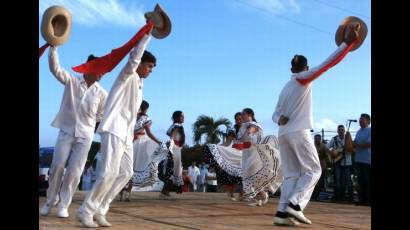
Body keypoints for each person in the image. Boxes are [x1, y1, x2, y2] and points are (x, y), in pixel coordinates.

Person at [272, 27, 359, 226]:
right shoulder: (303, 79)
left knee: (293, 174)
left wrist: (279, 120)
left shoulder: (286, 87)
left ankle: (281, 213)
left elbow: (275, 114)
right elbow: (327, 64)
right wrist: (348, 44)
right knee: (314, 170)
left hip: (283, 133)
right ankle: (295, 205)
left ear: (291, 69)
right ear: (305, 67)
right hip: (298, 132)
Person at [77, 28, 156, 228]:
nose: (151, 70)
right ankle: (85, 210)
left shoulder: (139, 83)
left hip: (126, 133)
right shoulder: (127, 75)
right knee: (107, 173)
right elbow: (134, 58)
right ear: (139, 64)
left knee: (125, 174)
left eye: (153, 67)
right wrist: (148, 33)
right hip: (113, 128)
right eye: (149, 66)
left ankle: (101, 209)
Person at [40, 46, 107, 219]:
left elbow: (101, 114)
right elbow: (55, 69)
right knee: (57, 166)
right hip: (66, 131)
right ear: (90, 68)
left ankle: (64, 204)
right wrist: (53, 48)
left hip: (85, 136)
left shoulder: (101, 93)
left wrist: (92, 125)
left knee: (75, 171)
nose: (102, 74)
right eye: (99, 70)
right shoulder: (72, 81)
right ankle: (50, 200)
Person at [239, 108, 283, 207]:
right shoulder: (243, 126)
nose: (241, 116)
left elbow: (251, 132)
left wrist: (249, 133)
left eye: (243, 114)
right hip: (247, 154)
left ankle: (261, 197)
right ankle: (261, 197)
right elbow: (243, 141)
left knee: (252, 174)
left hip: (255, 153)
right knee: (250, 176)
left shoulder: (253, 125)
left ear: (249, 114)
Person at [132, 100, 162, 188]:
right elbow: (149, 133)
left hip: (130, 141)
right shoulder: (146, 119)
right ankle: (127, 192)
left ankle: (122, 190)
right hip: (141, 143)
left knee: (129, 166)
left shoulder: (132, 117)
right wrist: (158, 142)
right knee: (139, 166)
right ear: (146, 109)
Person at [158, 111, 185, 198]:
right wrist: (173, 141)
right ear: (177, 117)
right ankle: (163, 192)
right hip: (175, 148)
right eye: (182, 116)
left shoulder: (174, 125)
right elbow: (172, 134)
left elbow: (168, 133)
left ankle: (165, 191)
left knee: (173, 170)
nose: (183, 118)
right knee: (172, 169)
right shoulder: (177, 125)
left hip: (175, 148)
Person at [327, 125, 353, 203]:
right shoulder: (334, 139)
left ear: (344, 131)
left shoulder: (348, 139)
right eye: (339, 130)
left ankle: (349, 198)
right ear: (337, 131)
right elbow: (327, 147)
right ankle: (337, 197)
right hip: (337, 162)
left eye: (342, 130)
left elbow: (351, 148)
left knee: (347, 180)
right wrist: (333, 152)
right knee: (337, 180)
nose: (341, 131)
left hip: (347, 162)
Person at [353, 113, 371, 206]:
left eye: (362, 119)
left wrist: (357, 145)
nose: (360, 121)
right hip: (358, 159)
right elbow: (355, 142)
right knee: (360, 181)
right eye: (360, 119)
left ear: (368, 121)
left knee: (368, 181)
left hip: (368, 160)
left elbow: (369, 144)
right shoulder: (359, 131)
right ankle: (362, 200)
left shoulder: (370, 130)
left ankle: (368, 200)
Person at [311, 134, 329, 201]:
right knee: (313, 182)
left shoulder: (323, 146)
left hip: (322, 167)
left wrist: (323, 155)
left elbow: (328, 154)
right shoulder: (311, 145)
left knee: (320, 183)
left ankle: (316, 196)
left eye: (318, 139)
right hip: (313, 167)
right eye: (316, 139)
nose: (317, 140)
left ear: (320, 139)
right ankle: (312, 196)